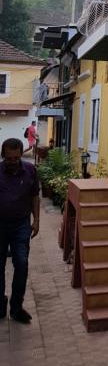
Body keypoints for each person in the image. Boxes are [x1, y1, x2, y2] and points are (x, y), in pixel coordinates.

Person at [0, 138, 40, 323]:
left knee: (22, 264)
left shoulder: (30, 170)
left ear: (21, 155)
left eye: (16, 158)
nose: (13, 161)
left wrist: (37, 220)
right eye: (9, 158)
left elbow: (34, 196)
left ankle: (16, 308)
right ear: (3, 156)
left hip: (21, 225)